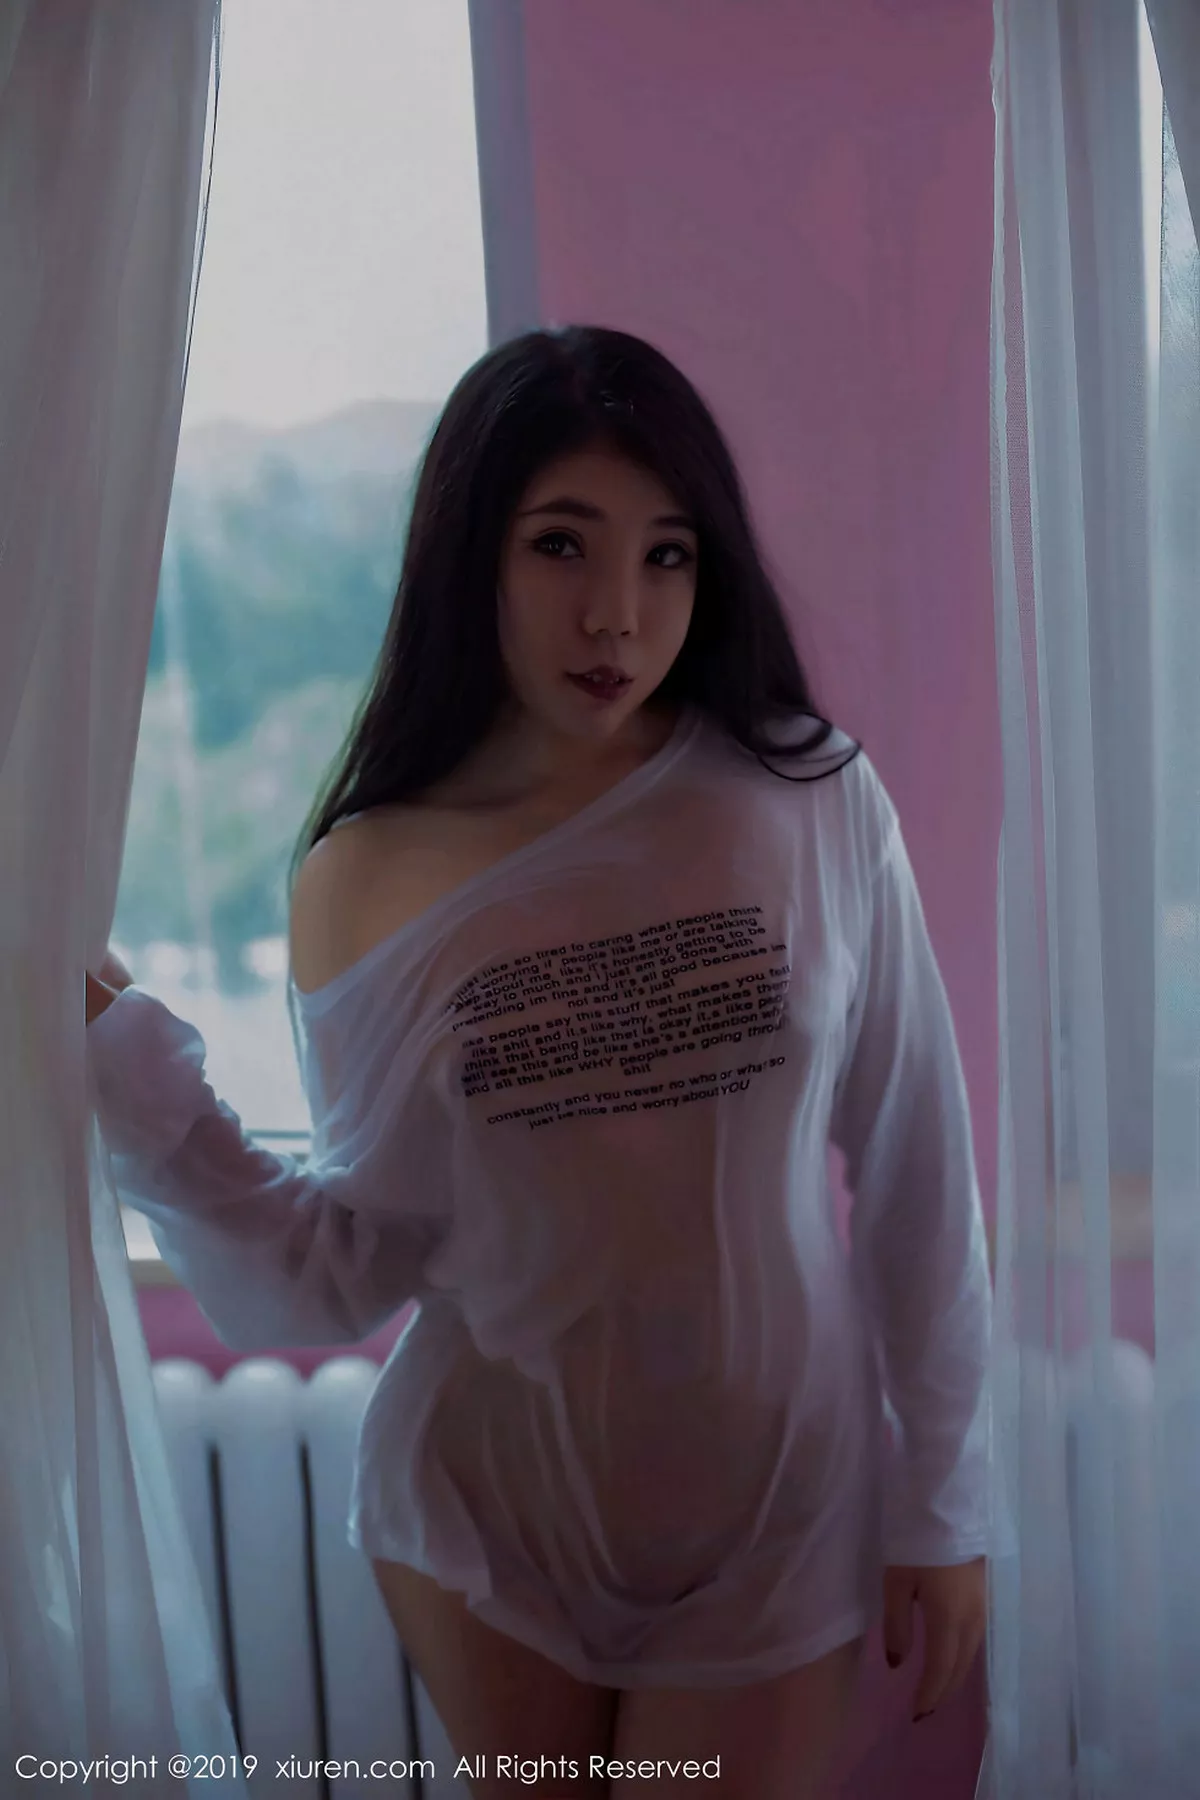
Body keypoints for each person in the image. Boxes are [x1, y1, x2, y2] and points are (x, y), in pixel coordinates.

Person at [86, 325, 993, 1800]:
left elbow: (918, 1165)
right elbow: (344, 1266)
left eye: (666, 555)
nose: (616, 616)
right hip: (486, 1524)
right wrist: (130, 1073)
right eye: (561, 545)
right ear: (471, 554)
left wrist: (947, 1502)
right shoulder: (367, 874)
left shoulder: (811, 800)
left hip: (778, 1518)